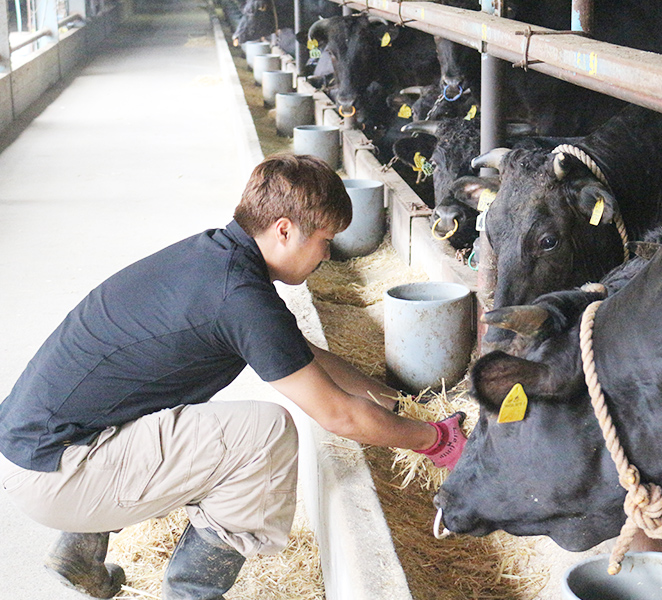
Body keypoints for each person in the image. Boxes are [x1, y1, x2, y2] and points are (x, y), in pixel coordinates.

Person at [0, 154, 467, 600]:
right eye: (324, 239)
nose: (327, 254)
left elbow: (304, 354)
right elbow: (338, 416)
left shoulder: (217, 257)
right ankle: (192, 591)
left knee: (161, 409)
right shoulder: (240, 300)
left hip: (38, 448)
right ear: (284, 230)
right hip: (56, 473)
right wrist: (433, 440)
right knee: (264, 435)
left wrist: (400, 405)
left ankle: (79, 553)